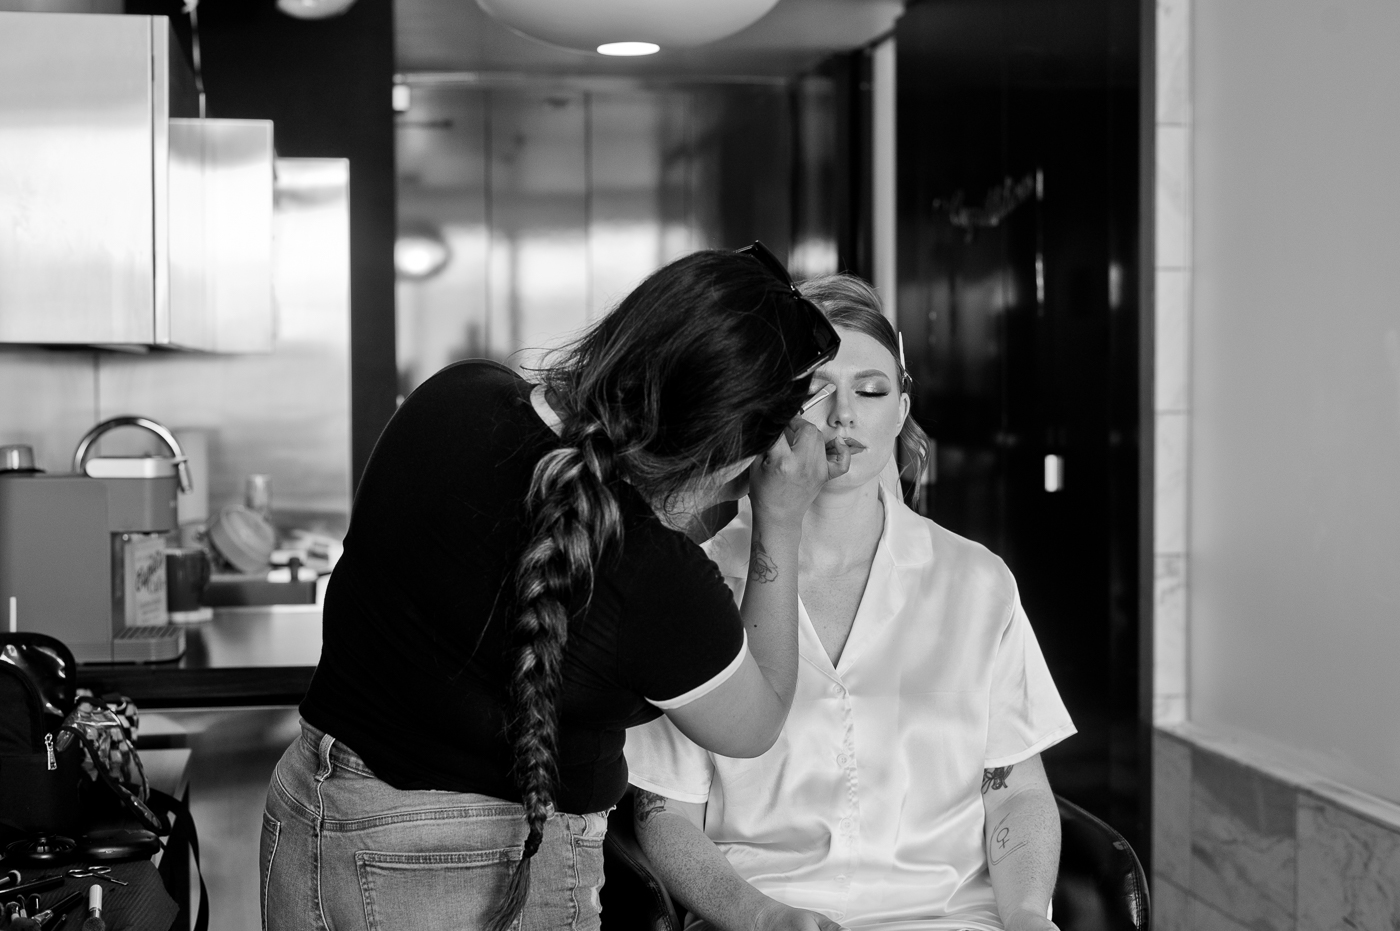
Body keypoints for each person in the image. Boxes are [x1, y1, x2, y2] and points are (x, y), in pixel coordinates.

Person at [260, 245, 852, 931]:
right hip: (465, 868)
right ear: (727, 453)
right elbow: (755, 722)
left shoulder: (453, 397)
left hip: (306, 811)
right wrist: (779, 520)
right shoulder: (657, 581)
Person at [625, 274, 1077, 931]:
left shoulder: (976, 583)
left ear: (900, 408)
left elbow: (1015, 791)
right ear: (765, 410)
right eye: (814, 392)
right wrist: (758, 914)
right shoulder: (697, 581)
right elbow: (663, 813)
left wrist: (1029, 913)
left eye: (871, 390)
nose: (844, 416)